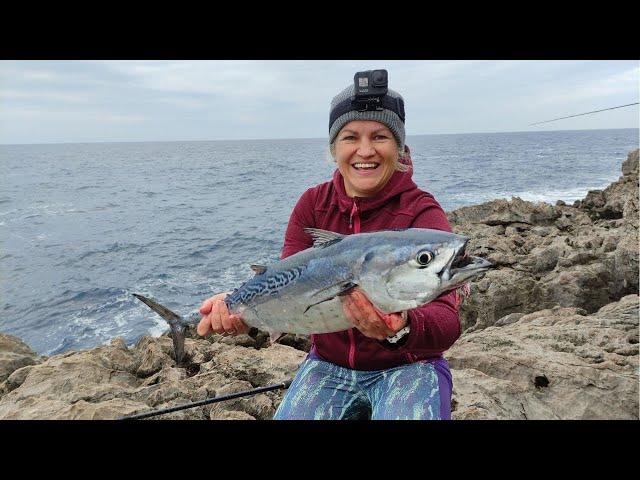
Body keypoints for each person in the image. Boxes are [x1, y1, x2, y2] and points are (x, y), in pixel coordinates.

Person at [197, 71, 462, 420]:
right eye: (351, 136)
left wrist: (405, 328)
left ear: (398, 148)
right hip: (327, 365)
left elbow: (447, 321)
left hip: (410, 365)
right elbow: (287, 286)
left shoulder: (421, 211)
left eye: (380, 136)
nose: (365, 150)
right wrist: (240, 311)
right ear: (334, 147)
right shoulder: (312, 204)